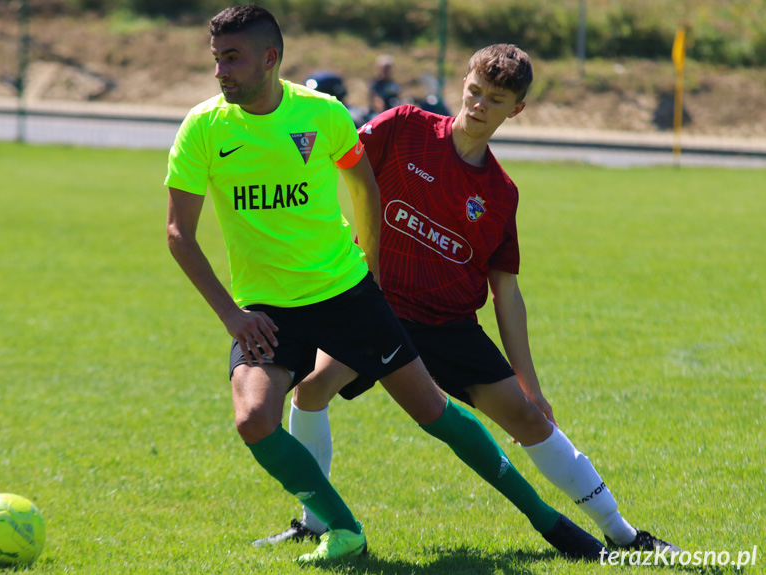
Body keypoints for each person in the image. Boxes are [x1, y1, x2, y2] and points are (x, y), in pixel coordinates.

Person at [166, 6, 605, 565]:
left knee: (433, 412)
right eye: (217, 59)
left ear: (270, 58)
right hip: (266, 307)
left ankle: (552, 524)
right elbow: (179, 233)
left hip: (346, 294)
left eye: (233, 58)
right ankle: (339, 528)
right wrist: (233, 316)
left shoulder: (322, 115)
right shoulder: (204, 126)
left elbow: (363, 185)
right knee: (255, 418)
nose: (221, 71)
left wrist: (369, 268)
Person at [255, 44, 681, 555]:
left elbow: (507, 290)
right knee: (312, 389)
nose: (478, 105)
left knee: (529, 419)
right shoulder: (404, 127)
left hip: (448, 324)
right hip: (375, 309)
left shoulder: (500, 193)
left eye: (495, 99)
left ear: (515, 109)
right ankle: (319, 523)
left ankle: (624, 535)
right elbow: (335, 160)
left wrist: (531, 383)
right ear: (464, 83)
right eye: (474, 91)